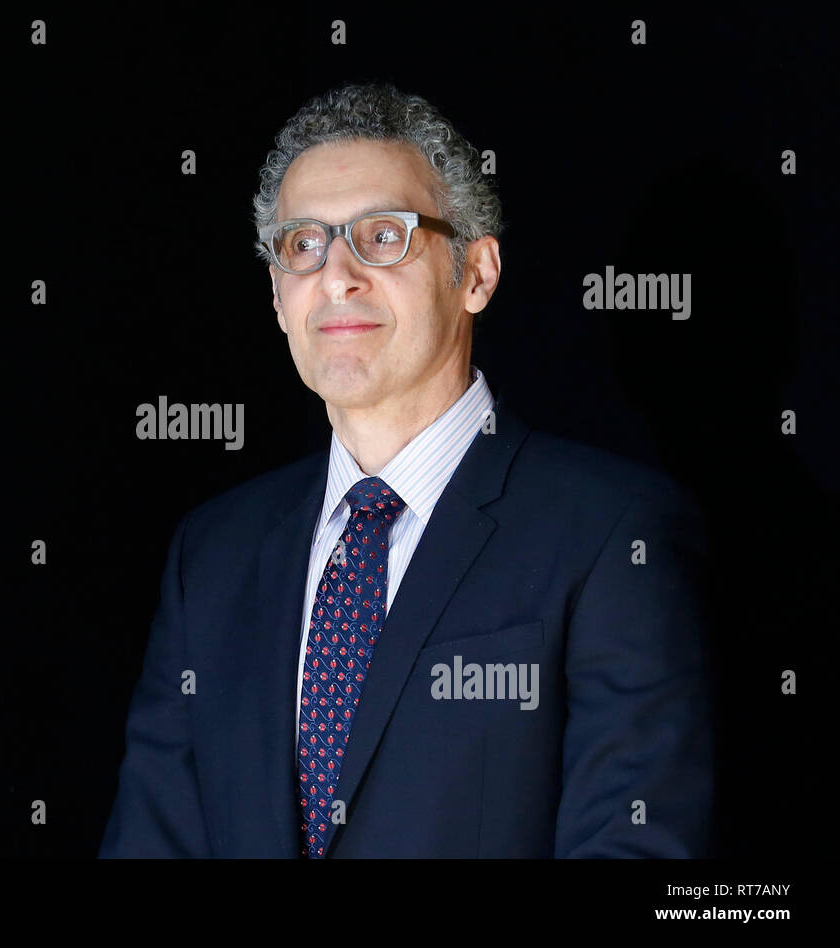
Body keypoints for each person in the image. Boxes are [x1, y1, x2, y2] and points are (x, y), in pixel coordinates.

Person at [98, 81, 713, 858]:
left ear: (477, 274)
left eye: (382, 236)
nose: (337, 276)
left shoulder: (612, 533)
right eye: (303, 244)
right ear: (278, 297)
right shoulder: (211, 557)